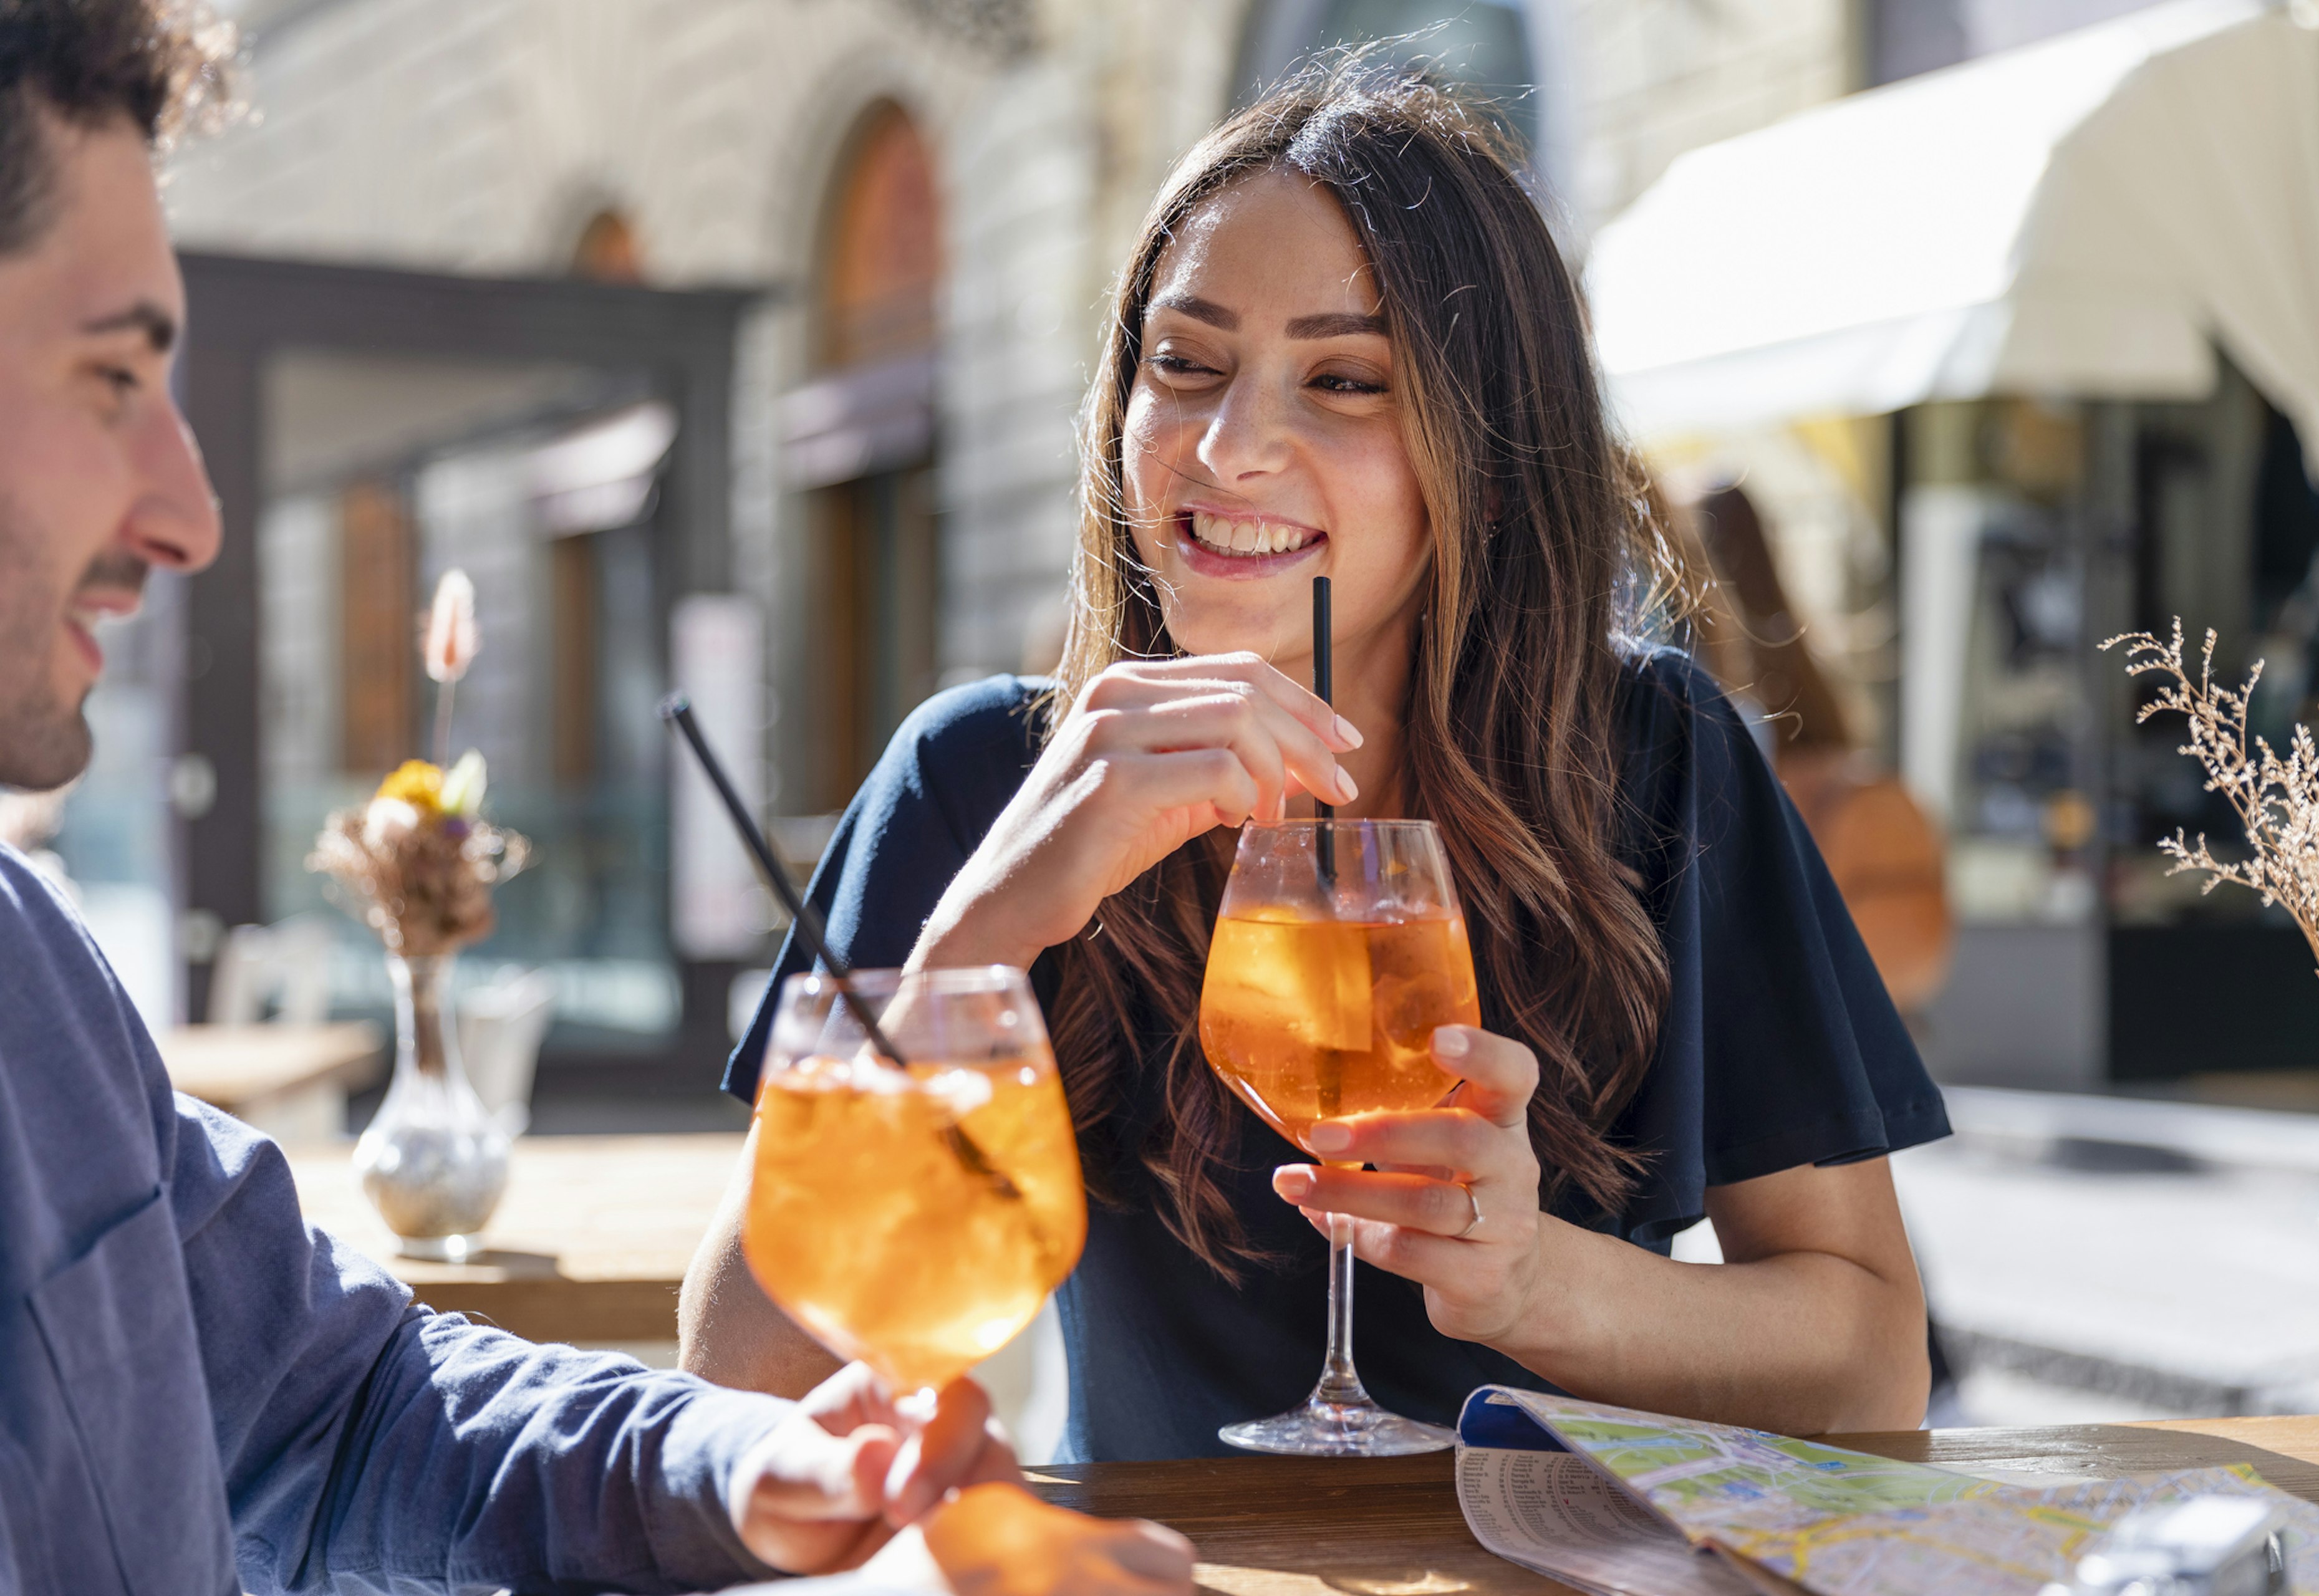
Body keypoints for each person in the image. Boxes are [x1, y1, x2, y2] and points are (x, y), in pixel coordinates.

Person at [0, 4, 1197, 1592]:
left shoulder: (36, 984)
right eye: (108, 379)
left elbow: (349, 1412)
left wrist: (757, 1464)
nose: (191, 512)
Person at [682, 60, 1951, 1462]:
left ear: (1483, 446)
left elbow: (1872, 1360)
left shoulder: (1655, 759)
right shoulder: (984, 773)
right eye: (1187, 363)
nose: (1229, 449)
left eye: (1345, 380)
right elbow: (739, 1382)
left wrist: (1538, 1281)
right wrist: (986, 936)